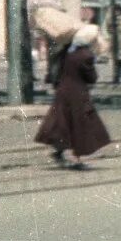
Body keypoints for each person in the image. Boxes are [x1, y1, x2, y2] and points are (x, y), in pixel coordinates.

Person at [35, 23, 113, 170]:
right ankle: (76, 159)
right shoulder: (86, 55)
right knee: (80, 125)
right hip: (78, 94)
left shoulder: (67, 50)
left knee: (63, 122)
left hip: (63, 91)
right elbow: (92, 77)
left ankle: (59, 151)